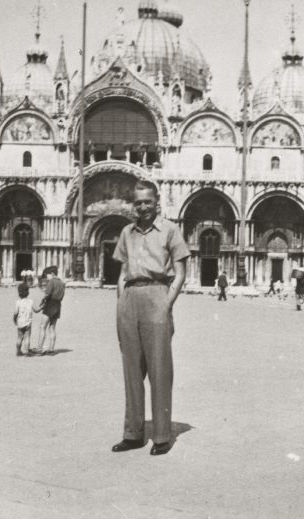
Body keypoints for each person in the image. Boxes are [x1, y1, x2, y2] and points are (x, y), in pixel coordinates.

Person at [111, 180, 190, 456]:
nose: (142, 207)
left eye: (147, 201)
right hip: (130, 299)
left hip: (157, 295)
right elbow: (122, 272)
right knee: (131, 371)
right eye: (138, 202)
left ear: (157, 202)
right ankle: (132, 433)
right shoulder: (126, 233)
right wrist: (121, 301)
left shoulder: (170, 230)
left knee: (159, 370)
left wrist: (166, 303)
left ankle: (161, 435)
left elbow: (180, 273)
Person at [31, 265, 66, 355]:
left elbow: (47, 294)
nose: (46, 277)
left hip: (50, 304)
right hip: (58, 305)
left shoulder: (52, 281)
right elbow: (62, 297)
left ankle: (39, 348)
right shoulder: (62, 283)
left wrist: (42, 303)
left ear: (52, 273)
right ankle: (51, 349)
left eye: (47, 275)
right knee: (52, 328)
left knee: (43, 326)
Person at [13, 283, 36, 356]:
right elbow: (36, 310)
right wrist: (42, 307)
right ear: (28, 292)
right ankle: (26, 351)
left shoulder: (18, 302)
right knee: (27, 338)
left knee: (19, 338)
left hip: (20, 323)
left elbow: (16, 313)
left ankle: (18, 351)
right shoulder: (31, 301)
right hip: (28, 323)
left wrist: (14, 320)